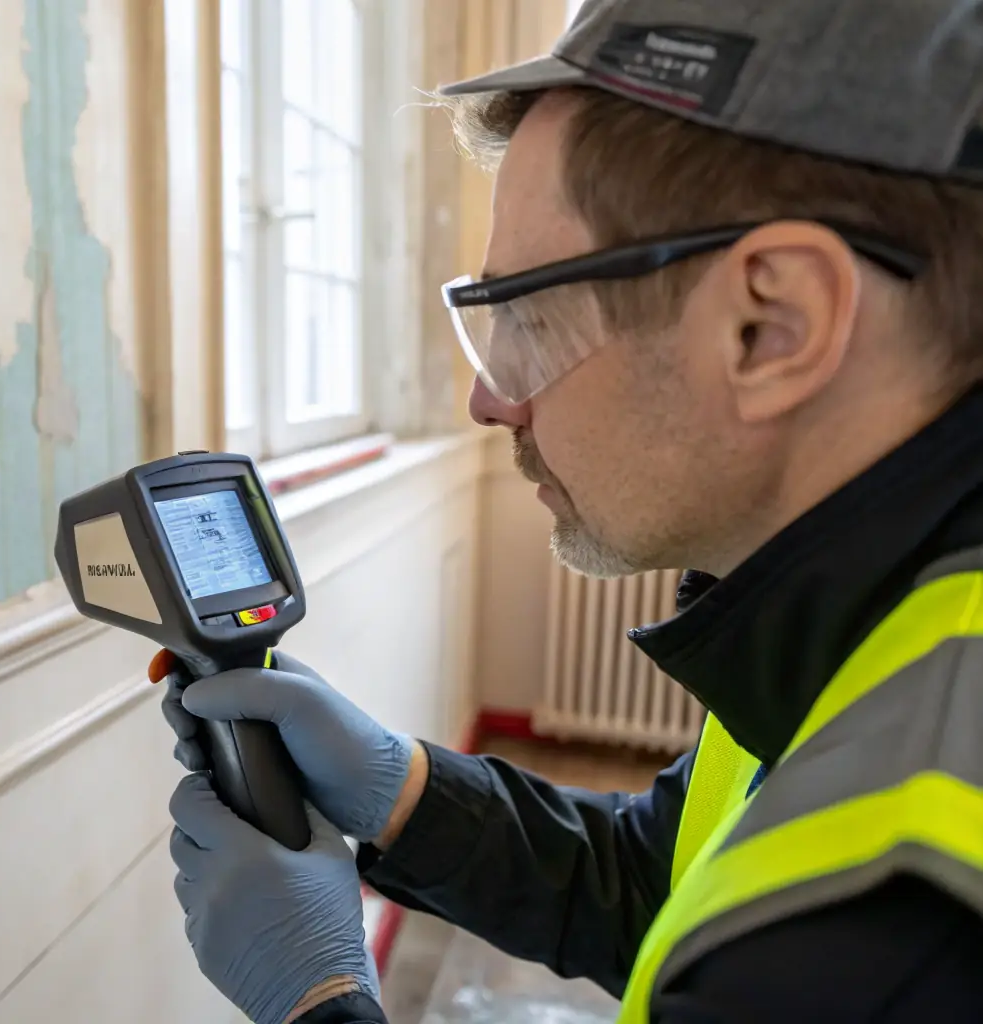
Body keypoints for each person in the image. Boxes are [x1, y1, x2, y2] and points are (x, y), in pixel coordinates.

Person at [158, 0, 983, 1020]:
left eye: (529, 316)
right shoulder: (889, 620)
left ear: (774, 326)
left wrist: (319, 1000)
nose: (488, 397)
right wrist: (404, 792)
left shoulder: (889, 941)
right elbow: (666, 879)